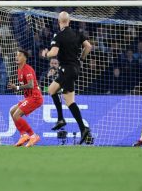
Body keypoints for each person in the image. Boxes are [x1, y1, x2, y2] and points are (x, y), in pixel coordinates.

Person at [41, 11, 93, 144]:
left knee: (68, 101)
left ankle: (78, 126)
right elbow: (88, 46)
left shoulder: (58, 35)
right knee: (52, 91)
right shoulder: (77, 33)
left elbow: (54, 52)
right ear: (69, 21)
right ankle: (76, 126)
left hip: (66, 70)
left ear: (59, 22)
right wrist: (81, 58)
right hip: (74, 69)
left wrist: (45, 53)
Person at [8, 49, 43, 147]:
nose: (17, 57)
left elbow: (31, 85)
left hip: (35, 97)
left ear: (25, 58)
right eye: (16, 55)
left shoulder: (27, 69)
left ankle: (33, 135)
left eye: (19, 55)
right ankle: (23, 135)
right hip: (29, 97)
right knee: (12, 111)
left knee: (16, 115)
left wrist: (17, 87)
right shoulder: (19, 70)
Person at [39, 58, 65, 130]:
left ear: (58, 65)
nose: (53, 65)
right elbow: (41, 87)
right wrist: (48, 77)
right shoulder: (45, 73)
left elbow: (64, 87)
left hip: (60, 95)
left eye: (55, 63)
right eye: (52, 63)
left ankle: (60, 119)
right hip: (47, 96)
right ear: (49, 64)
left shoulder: (62, 73)